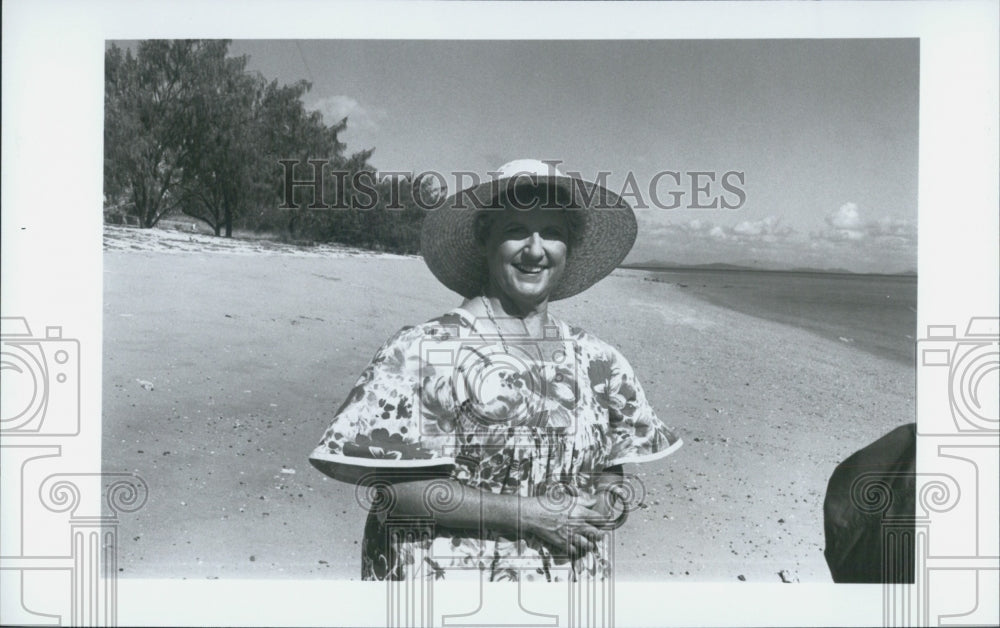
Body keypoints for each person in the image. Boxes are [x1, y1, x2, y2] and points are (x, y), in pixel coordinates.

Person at [309, 159, 682, 581]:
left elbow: (611, 475)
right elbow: (394, 491)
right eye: (516, 230)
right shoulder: (427, 351)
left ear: (569, 247)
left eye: (553, 232)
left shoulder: (600, 362)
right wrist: (527, 515)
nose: (536, 249)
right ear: (485, 239)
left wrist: (607, 502)